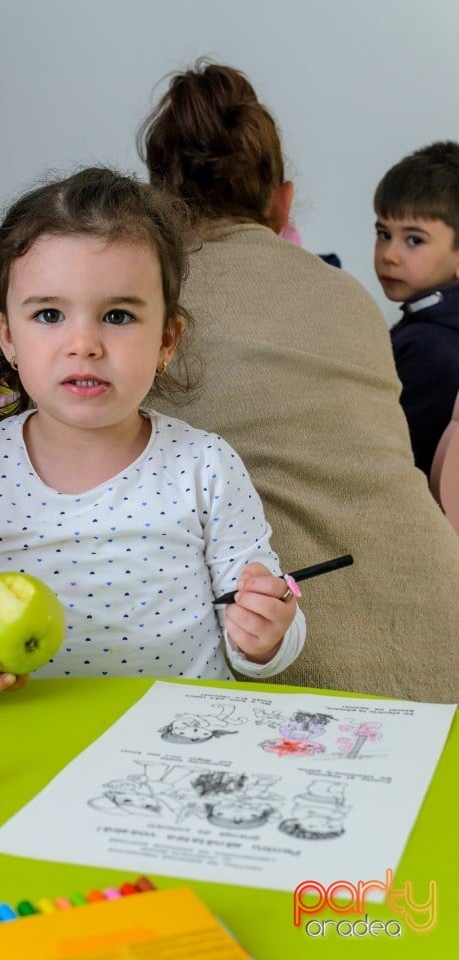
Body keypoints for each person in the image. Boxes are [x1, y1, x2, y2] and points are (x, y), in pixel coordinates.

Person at [0, 167, 305, 695]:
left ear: (166, 339)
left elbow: (267, 622)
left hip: (180, 744)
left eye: (116, 316)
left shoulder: (205, 466)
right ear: (7, 337)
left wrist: (265, 637)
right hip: (30, 742)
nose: (83, 343)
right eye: (48, 315)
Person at [138, 60, 459, 704]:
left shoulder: (146, 298)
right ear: (282, 202)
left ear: (153, 205)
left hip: (283, 650)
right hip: (438, 618)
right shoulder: (348, 296)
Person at [374, 141, 459, 478]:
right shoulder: (432, 325)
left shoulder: (430, 346)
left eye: (414, 240)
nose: (389, 255)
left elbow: (394, 460)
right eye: (383, 233)